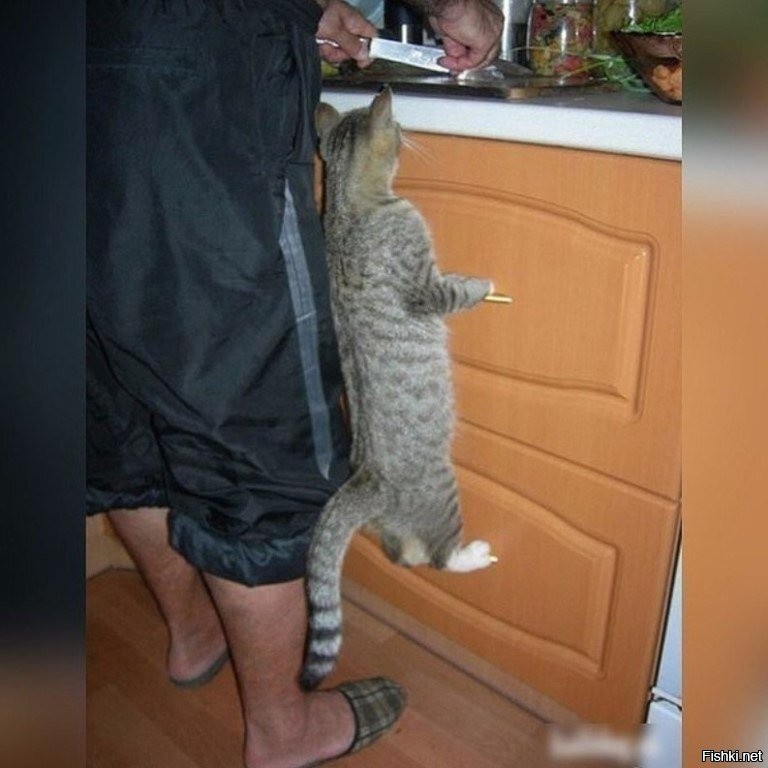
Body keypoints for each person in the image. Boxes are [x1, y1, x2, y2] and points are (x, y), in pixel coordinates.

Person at [86, 0, 502, 765]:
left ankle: (192, 634)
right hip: (185, 83)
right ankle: (282, 731)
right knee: (254, 445)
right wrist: (456, 8)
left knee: (118, 409)